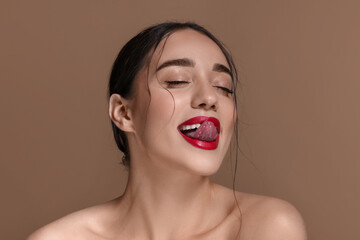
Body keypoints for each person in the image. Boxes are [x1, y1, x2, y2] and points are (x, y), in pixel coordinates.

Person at [28, 22, 307, 240]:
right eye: (177, 80)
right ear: (124, 113)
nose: (209, 98)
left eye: (223, 87)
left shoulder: (268, 225)